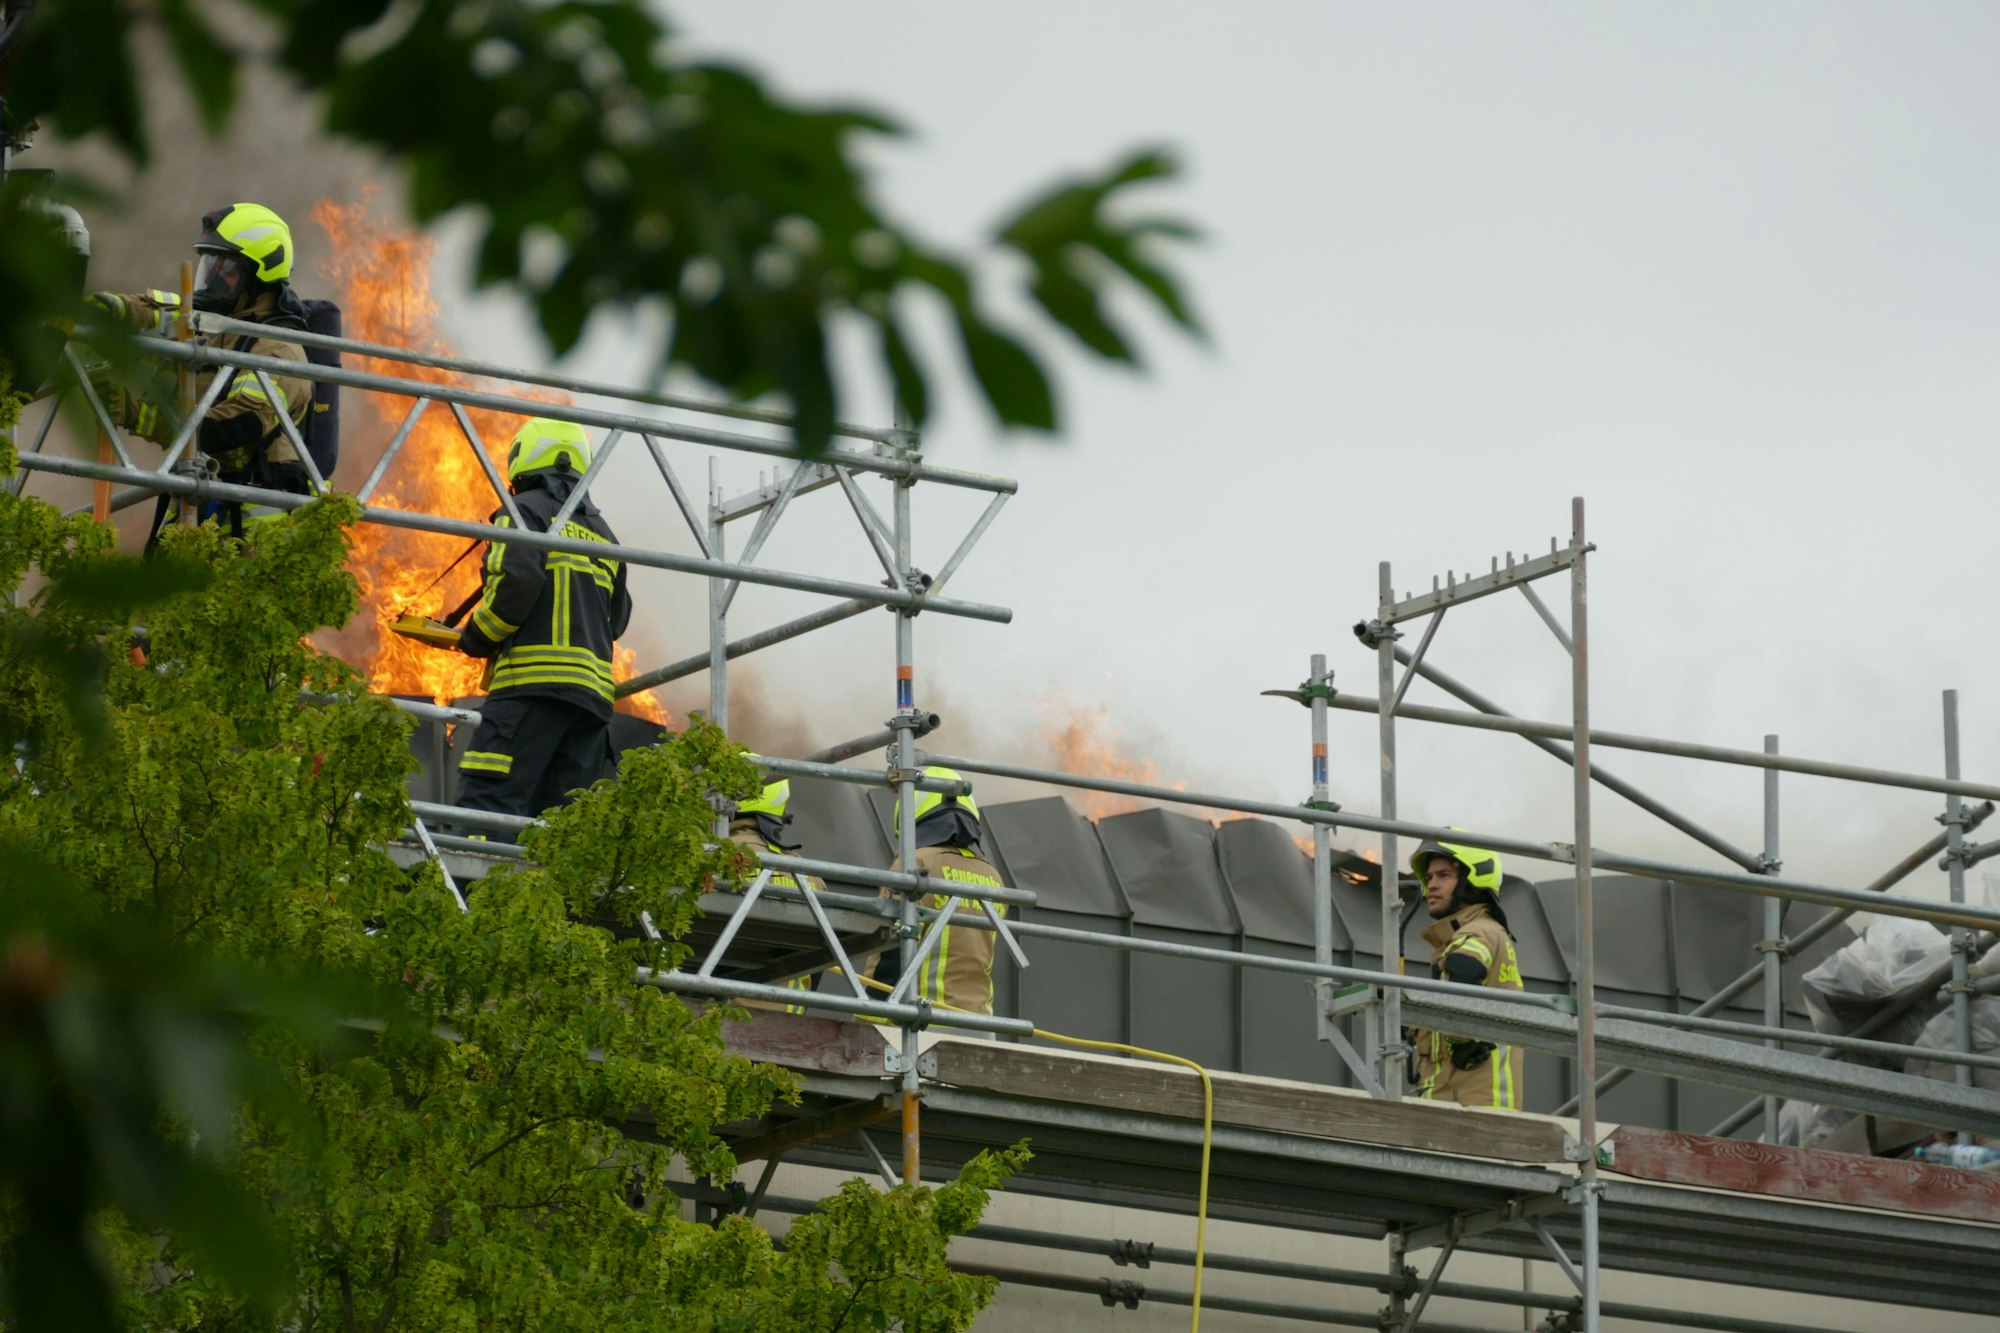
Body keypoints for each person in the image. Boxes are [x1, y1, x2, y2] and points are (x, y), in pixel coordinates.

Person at [92, 203, 317, 530]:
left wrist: (135, 414)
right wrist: (114, 309)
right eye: (210, 263)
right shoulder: (219, 326)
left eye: (226, 268)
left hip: (256, 533)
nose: (212, 277)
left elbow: (226, 429)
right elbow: (166, 313)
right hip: (199, 507)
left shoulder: (280, 350)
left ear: (259, 275)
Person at [453, 417, 631, 821]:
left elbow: (517, 578)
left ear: (524, 458)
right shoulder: (605, 534)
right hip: (590, 708)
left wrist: (476, 637)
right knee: (561, 830)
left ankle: (470, 887)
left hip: (528, 693)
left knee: (487, 812)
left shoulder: (522, 511)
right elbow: (617, 620)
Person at [1405, 833, 1526, 1109]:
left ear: (1473, 880)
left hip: (1470, 1102)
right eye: (1431, 877)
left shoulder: (1477, 932)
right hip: (1464, 1098)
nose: (1431, 886)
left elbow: (1463, 971)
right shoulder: (1482, 932)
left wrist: (1463, 1040)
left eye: (1444, 875)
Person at [884, 766, 1009, 1024]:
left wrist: (866, 1024)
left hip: (922, 1024)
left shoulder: (914, 864)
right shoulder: (993, 877)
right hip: (980, 1024)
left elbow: (888, 958)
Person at [723, 773, 827, 1012]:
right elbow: (821, 958)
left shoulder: (705, 861)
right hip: (786, 1028)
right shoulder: (806, 873)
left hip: (710, 1024)